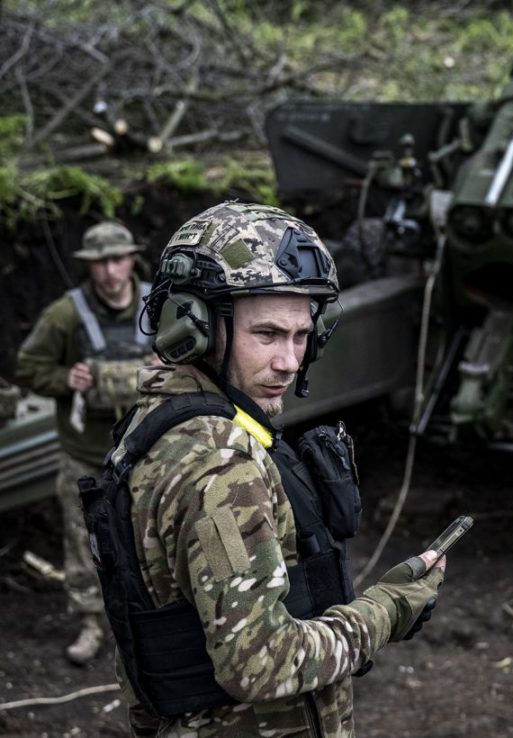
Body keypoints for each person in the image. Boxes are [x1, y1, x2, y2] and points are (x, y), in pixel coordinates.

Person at [78, 202, 445, 736]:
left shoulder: (158, 420)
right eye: (268, 334)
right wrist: (387, 611)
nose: (290, 360)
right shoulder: (219, 463)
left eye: (302, 336)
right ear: (193, 329)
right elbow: (261, 661)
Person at [14, 221, 154, 665]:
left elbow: (200, 357)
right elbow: (28, 366)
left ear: (132, 258)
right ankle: (92, 624)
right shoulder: (66, 315)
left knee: (154, 536)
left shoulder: (160, 304)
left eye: (117, 259)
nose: (110, 272)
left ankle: (155, 621)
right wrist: (63, 378)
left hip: (149, 450)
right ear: (89, 267)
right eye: (100, 263)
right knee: (83, 542)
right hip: (85, 456)